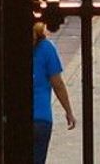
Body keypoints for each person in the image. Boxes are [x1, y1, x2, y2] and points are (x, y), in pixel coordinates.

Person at [33, 20, 78, 163]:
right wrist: (68, 111)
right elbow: (58, 84)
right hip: (41, 117)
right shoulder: (47, 48)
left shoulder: (11, 48)